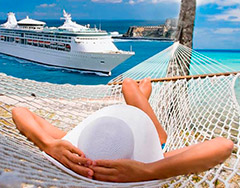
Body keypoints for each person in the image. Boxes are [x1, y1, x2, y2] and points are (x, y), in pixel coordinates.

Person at [12, 78, 234, 182]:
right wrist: (148, 172)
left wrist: (48, 145)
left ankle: (138, 100)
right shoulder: (149, 162)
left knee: (129, 85)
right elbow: (223, 146)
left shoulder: (76, 154)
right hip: (153, 139)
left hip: (108, 128)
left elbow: (20, 111)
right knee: (130, 85)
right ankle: (140, 99)